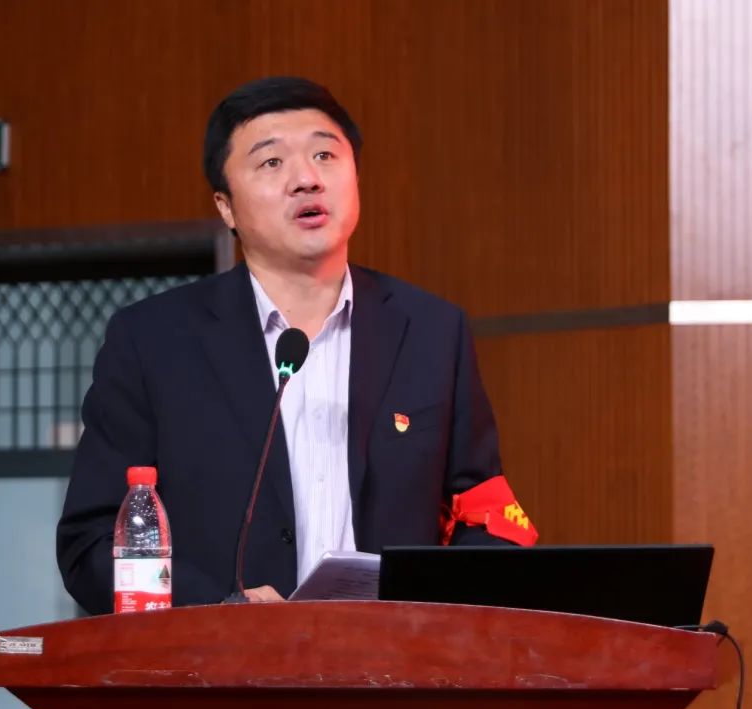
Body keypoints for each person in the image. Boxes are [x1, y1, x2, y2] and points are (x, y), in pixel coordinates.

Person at [57, 76, 535, 614]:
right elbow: (91, 543)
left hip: (394, 657)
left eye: (325, 155)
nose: (307, 179)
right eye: (271, 162)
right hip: (224, 658)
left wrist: (433, 613)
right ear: (226, 207)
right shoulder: (153, 341)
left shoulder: (431, 331)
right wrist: (217, 608)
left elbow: (483, 514)